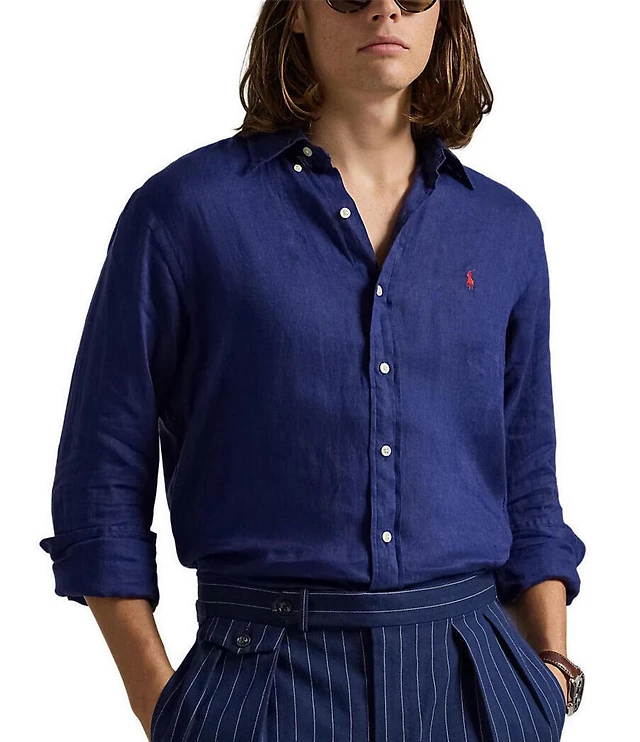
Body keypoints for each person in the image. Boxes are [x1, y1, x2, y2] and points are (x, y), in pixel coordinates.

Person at [39, 1, 587, 740]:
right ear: (296, 12)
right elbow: (101, 477)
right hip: (261, 681)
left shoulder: (504, 230)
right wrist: (163, 706)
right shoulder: (184, 214)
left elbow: (529, 481)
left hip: (473, 680)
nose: (386, 8)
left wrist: (551, 672)